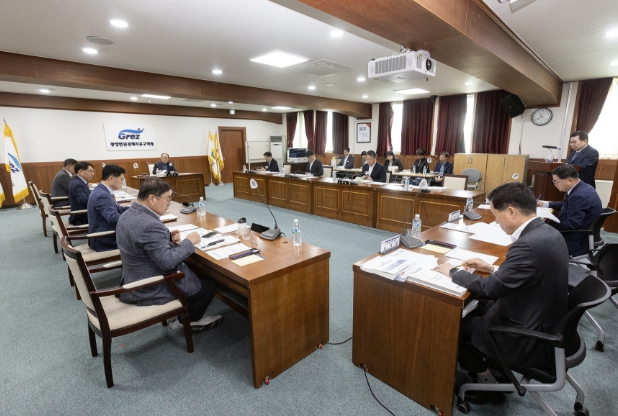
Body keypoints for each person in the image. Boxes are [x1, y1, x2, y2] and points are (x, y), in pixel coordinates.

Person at [435, 182, 568, 404]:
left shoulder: (526, 245)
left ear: (512, 212)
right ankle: (499, 370)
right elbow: (530, 273)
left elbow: (490, 288)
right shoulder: (548, 232)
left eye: (497, 216)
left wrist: (454, 272)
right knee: (478, 307)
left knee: (458, 322)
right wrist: (491, 268)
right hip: (541, 317)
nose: (496, 222)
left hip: (526, 335)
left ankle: (487, 383)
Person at [116, 178, 222, 332]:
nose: (169, 203)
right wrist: (189, 242)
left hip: (133, 277)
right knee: (208, 287)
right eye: (167, 198)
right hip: (149, 287)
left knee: (196, 274)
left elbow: (140, 243)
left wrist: (166, 239)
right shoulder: (150, 224)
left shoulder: (127, 214)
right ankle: (188, 321)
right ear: (152, 198)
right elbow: (167, 262)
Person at [537, 164, 602, 257]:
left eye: (556, 181)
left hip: (575, 239)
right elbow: (568, 204)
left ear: (570, 180)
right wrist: (545, 204)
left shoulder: (579, 196)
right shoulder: (583, 188)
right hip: (581, 234)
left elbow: (572, 224)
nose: (555, 185)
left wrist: (546, 225)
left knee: (536, 239)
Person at [88, 164, 130, 252]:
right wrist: (135, 218)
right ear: (111, 178)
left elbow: (118, 209)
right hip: (105, 239)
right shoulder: (102, 195)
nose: (122, 182)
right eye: (121, 179)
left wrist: (137, 209)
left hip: (106, 234)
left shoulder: (102, 190)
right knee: (141, 241)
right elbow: (113, 218)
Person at [68, 161, 94, 226]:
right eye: (90, 171)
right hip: (81, 218)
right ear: (81, 171)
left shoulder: (76, 180)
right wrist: (98, 199)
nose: (92, 174)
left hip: (81, 215)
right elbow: (82, 200)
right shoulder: (78, 184)